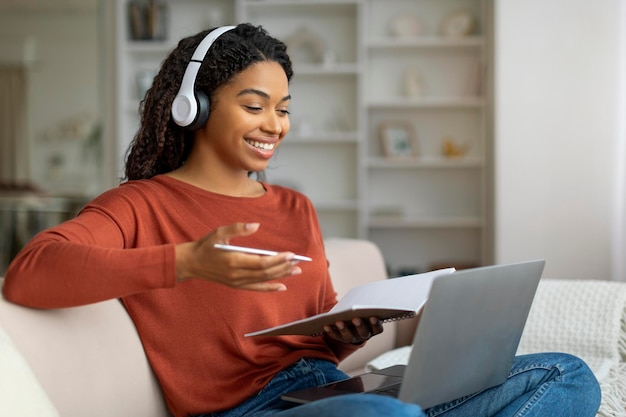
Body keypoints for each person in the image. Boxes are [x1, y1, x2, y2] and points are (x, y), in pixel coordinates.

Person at [2, 23, 601, 417]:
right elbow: (30, 273)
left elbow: (314, 341)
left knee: (564, 374)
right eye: (254, 105)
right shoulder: (140, 204)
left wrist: (347, 332)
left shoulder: (294, 208)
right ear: (197, 107)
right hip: (248, 411)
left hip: (326, 391)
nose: (275, 125)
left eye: (283, 109)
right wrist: (186, 261)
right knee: (386, 414)